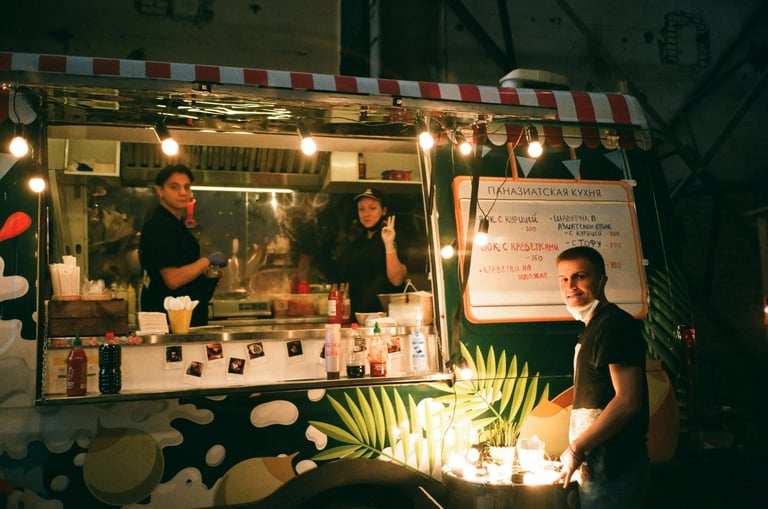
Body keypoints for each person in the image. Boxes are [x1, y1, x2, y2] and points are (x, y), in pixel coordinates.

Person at [554, 246, 649, 509]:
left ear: (602, 280)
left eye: (580, 276)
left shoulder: (615, 325)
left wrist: (576, 448)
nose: (570, 286)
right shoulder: (591, 327)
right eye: (564, 279)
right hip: (597, 468)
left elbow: (628, 402)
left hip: (615, 470)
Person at [139, 164, 228, 327]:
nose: (182, 192)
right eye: (174, 187)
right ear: (160, 191)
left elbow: (183, 268)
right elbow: (173, 279)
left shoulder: (176, 224)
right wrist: (207, 261)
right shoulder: (159, 226)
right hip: (171, 325)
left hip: (185, 322)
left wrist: (205, 278)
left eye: (186, 187)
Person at [343, 188, 408, 315]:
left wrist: (389, 244)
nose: (366, 214)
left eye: (372, 208)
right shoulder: (357, 243)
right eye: (362, 209)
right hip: (357, 318)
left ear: (383, 211)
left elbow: (397, 279)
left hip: (386, 319)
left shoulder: (395, 237)